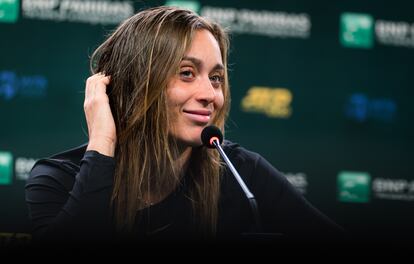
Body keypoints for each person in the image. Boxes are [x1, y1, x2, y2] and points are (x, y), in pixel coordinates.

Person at [25, 6, 344, 248]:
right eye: (187, 73)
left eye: (216, 78)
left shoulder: (241, 174)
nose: (210, 95)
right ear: (133, 84)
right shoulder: (57, 180)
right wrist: (103, 140)